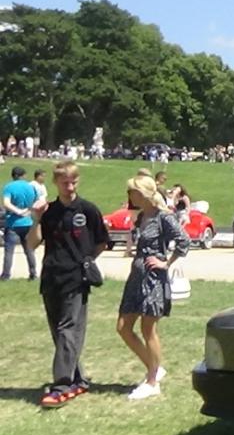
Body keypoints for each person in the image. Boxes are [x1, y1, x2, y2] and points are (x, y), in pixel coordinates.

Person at [26, 161, 109, 407]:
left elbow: (101, 242)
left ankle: (61, 385)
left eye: (73, 182)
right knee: (59, 332)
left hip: (76, 278)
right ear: (55, 183)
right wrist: (36, 219)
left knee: (67, 330)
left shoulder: (88, 210)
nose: (70, 187)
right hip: (51, 278)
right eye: (65, 183)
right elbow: (32, 244)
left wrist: (86, 262)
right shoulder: (49, 212)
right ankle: (78, 379)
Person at [117, 174, 190, 400]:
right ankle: (154, 367)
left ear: (144, 193)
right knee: (123, 327)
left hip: (153, 279)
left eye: (133, 192)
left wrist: (165, 263)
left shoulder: (163, 217)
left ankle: (152, 381)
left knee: (148, 328)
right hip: (136, 277)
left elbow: (184, 240)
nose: (130, 196)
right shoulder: (141, 216)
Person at [3, 166, 38, 281]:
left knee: (9, 251)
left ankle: (6, 275)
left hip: (13, 223)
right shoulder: (31, 187)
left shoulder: (9, 187)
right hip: (28, 222)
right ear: (23, 175)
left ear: (13, 176)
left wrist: (18, 211)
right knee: (29, 250)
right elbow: (37, 202)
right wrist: (28, 210)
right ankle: (33, 273)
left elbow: (6, 203)